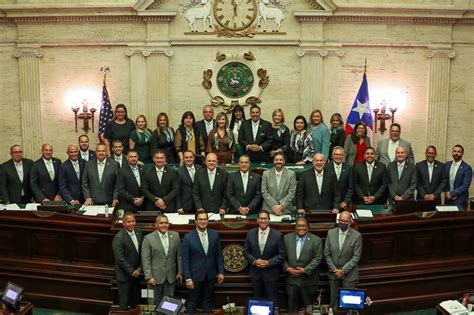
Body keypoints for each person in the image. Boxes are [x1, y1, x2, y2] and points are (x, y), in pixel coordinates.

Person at [182, 210, 224, 314]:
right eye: (200, 219)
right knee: (192, 302)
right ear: (196, 221)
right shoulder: (188, 237)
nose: (203, 221)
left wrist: (221, 272)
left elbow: (218, 255)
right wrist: (187, 278)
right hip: (194, 277)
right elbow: (185, 260)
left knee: (208, 301)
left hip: (210, 275)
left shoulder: (214, 235)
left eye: (205, 219)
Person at [243, 210, 286, 304]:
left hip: (271, 274)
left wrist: (268, 262)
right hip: (256, 274)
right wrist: (254, 261)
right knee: (257, 301)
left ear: (269, 220)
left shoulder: (277, 235)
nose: (263, 221)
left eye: (265, 218)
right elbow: (246, 251)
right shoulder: (250, 233)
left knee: (272, 301)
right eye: (261, 218)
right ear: (257, 220)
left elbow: (282, 254)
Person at [283, 217, 323, 312]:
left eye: (303, 226)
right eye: (299, 226)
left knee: (309, 309)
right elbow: (281, 257)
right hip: (291, 279)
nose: (301, 228)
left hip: (308, 281)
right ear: (295, 227)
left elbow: (318, 258)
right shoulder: (286, 238)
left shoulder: (316, 240)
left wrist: (305, 270)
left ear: (307, 227)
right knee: (292, 309)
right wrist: (287, 268)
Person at [324, 211, 362, 308]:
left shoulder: (357, 236)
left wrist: (343, 270)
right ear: (338, 221)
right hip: (333, 274)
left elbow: (356, 256)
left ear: (350, 222)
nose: (343, 222)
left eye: (346, 221)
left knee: (349, 303)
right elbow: (326, 254)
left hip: (349, 275)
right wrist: (334, 269)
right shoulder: (330, 233)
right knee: (334, 301)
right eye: (341, 220)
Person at [141, 214, 182, 305]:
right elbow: (145, 259)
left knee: (168, 306)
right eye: (161, 223)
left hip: (171, 277)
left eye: (166, 223)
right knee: (153, 305)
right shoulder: (148, 238)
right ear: (156, 225)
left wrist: (180, 272)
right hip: (154, 278)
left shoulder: (175, 236)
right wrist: (148, 276)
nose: (164, 225)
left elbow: (179, 256)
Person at [112, 212, 142, 310]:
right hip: (124, 275)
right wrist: (132, 272)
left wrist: (139, 268)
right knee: (124, 303)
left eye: (133, 221)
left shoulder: (138, 232)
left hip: (136, 274)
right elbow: (120, 259)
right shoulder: (119, 237)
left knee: (135, 302)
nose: (131, 223)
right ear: (123, 223)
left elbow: (140, 252)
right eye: (128, 222)